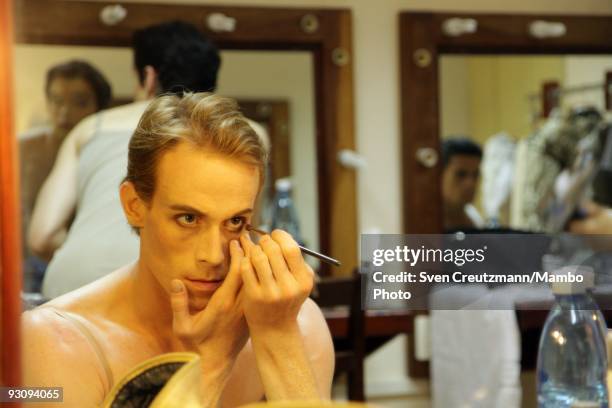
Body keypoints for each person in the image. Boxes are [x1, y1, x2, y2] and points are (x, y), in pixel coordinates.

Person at [22, 92, 334, 406]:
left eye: (236, 221)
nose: (213, 256)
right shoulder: (50, 343)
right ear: (134, 205)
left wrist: (279, 338)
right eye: (188, 218)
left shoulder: (296, 324)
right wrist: (209, 364)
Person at [28, 21, 223, 298]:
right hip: (173, 283)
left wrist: (91, 255)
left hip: (74, 283)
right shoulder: (243, 134)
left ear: (149, 76)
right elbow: (239, 236)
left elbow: (42, 235)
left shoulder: (91, 128)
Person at [19, 60, 111, 290]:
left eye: (79, 102)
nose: (64, 112)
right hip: (24, 267)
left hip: (85, 268)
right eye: (56, 100)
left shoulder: (108, 156)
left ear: (99, 107)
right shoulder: (23, 148)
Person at [441, 137, 484, 230]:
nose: (470, 183)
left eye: (475, 174)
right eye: (461, 174)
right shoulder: (421, 223)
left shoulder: (475, 220)